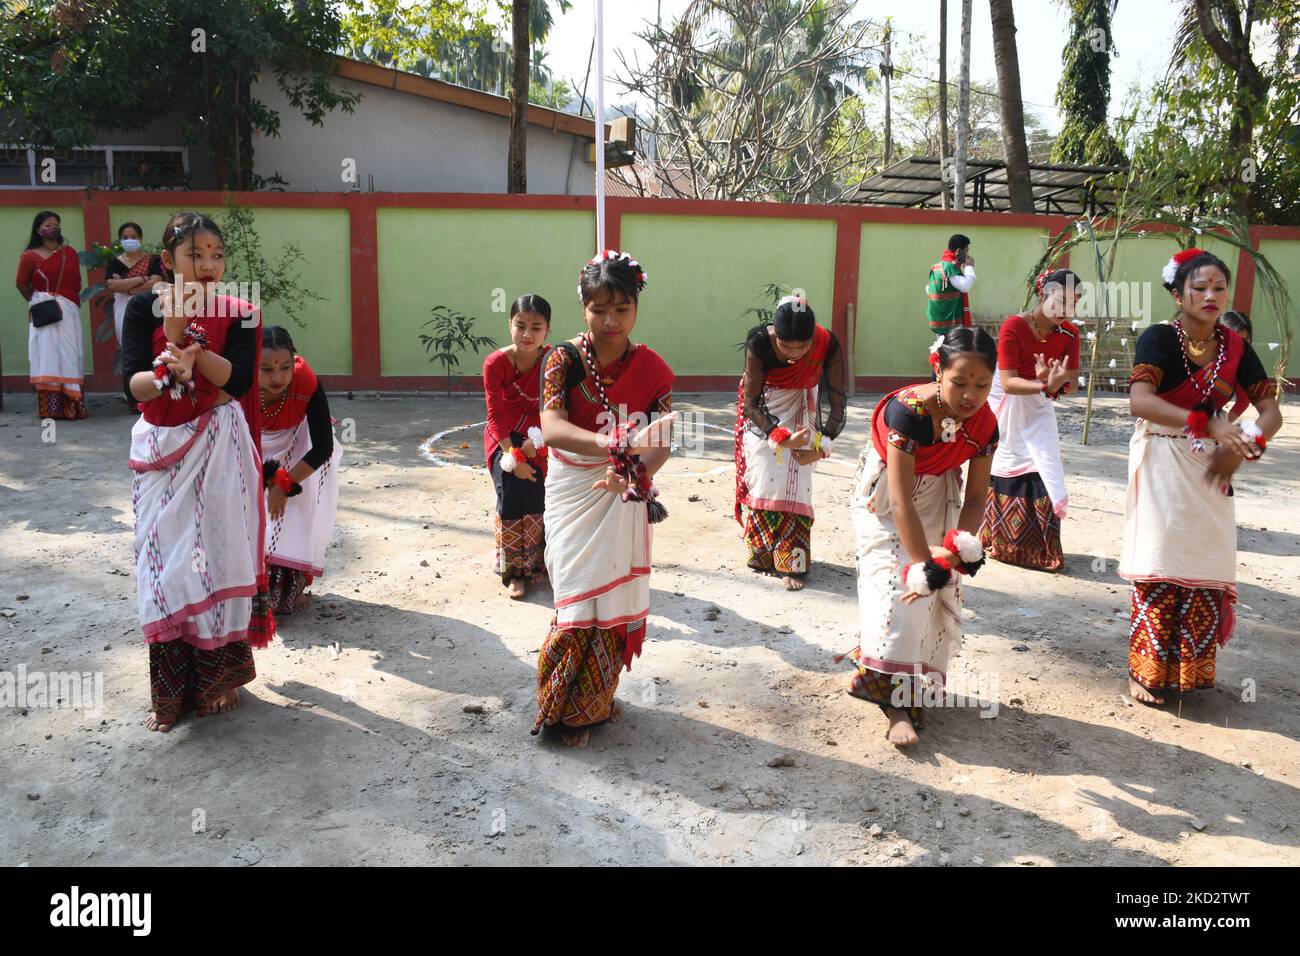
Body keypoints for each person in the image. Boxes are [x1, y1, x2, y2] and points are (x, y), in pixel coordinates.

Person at [121, 211, 274, 731]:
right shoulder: (144, 307)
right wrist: (166, 366)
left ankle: (220, 677)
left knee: (219, 551)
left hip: (218, 443)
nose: (209, 265)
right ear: (167, 260)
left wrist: (194, 352)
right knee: (166, 563)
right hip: (162, 448)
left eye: (217, 254)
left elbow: (237, 383)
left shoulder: (242, 312)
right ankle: (172, 690)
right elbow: (132, 387)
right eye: (195, 254)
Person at [1119, 249, 1281, 705]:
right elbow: (1141, 401)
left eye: (1219, 288)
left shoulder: (1235, 347)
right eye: (1199, 287)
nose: (1211, 296)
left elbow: (1270, 412)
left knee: (1207, 563)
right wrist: (1205, 422)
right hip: (1162, 455)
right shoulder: (1158, 338)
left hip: (1210, 462)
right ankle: (1145, 671)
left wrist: (1246, 443)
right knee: (1161, 560)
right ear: (1177, 293)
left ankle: (1190, 672)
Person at [532, 251, 675, 748]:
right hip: (574, 489)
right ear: (583, 309)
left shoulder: (653, 367)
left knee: (610, 595)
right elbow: (550, 428)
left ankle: (591, 704)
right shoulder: (562, 359)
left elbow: (662, 440)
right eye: (598, 309)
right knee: (575, 590)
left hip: (623, 491)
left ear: (636, 308)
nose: (610, 321)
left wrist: (634, 476)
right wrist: (610, 446)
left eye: (621, 309)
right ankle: (557, 708)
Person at [845, 327, 999, 746]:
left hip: (940, 498)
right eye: (960, 382)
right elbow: (899, 502)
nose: (971, 395)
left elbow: (976, 497)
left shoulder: (985, 425)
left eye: (982, 385)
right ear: (938, 370)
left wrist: (955, 549)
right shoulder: (907, 412)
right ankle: (892, 703)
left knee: (925, 606)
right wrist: (923, 564)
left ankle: (903, 690)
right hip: (887, 498)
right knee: (892, 589)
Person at [734, 295, 847, 590]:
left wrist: (821, 447)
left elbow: (836, 400)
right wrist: (777, 436)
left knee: (796, 479)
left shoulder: (827, 342)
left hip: (803, 407)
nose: (795, 354)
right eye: (787, 347)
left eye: (803, 346)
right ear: (775, 334)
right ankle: (762, 553)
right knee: (764, 473)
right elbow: (751, 401)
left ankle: (791, 561)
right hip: (766, 408)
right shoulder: (759, 342)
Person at [979, 269, 1081, 571]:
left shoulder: (1070, 335)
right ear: (1043, 295)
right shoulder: (1014, 326)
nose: (1067, 310)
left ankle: (1040, 550)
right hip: (1005, 398)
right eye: (1061, 300)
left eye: (1074, 302)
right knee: (1007, 459)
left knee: (1044, 460)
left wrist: (1056, 383)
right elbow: (1009, 382)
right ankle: (1000, 540)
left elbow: (1071, 383)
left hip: (1039, 400)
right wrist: (1045, 385)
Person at [259, 325, 342, 616]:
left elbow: (322, 447)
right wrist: (265, 481)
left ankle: (288, 588)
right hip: (249, 446)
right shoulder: (236, 384)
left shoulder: (306, 381)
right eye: (267, 369)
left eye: (284, 367)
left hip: (299, 444)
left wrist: (283, 483)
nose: (277, 377)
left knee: (296, 507)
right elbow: (229, 441)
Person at [482, 294, 552, 599]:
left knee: (537, 491)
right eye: (520, 325)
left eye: (536, 327)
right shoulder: (495, 363)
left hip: (542, 436)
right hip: (504, 438)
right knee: (510, 486)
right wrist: (514, 456)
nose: (527, 334)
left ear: (547, 331)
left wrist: (538, 445)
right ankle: (514, 573)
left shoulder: (554, 362)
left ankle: (540, 566)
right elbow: (496, 415)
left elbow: (560, 408)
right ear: (509, 324)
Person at [15, 211, 87, 420]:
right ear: (39, 229)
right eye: (48, 224)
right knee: (47, 356)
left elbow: (77, 282)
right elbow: (21, 283)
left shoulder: (70, 253)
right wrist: (38, 301)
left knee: (71, 355)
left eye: (57, 224)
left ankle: (72, 406)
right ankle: (51, 408)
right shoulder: (29, 256)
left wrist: (64, 300)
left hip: (69, 311)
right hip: (44, 311)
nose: (54, 228)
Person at [103, 221, 164, 346]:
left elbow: (155, 283)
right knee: (128, 344)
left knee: (150, 343)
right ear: (120, 240)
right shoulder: (115, 262)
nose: (129, 240)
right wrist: (141, 279)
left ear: (140, 238)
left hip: (148, 307)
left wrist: (127, 288)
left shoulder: (152, 260)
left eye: (133, 237)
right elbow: (112, 285)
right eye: (125, 237)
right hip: (123, 310)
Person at [926, 233, 976, 335]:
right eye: (966, 252)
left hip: (940, 324)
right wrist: (969, 267)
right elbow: (965, 286)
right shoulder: (949, 267)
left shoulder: (937, 267)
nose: (967, 256)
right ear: (958, 251)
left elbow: (928, 289)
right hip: (950, 327)